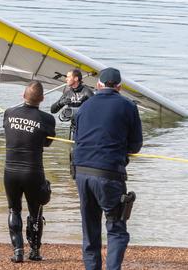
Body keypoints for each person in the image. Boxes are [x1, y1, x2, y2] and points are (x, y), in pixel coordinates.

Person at [72, 67, 143, 270]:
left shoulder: (84, 106)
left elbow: (77, 139)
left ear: (98, 85)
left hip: (82, 172)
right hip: (109, 173)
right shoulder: (128, 106)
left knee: (90, 227)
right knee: (116, 228)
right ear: (119, 87)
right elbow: (136, 145)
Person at [3, 81, 56, 263]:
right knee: (35, 213)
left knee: (14, 209)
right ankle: (34, 251)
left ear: (23, 96)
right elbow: (47, 143)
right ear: (42, 99)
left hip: (10, 171)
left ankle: (18, 251)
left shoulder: (8, 113)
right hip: (33, 172)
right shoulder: (48, 119)